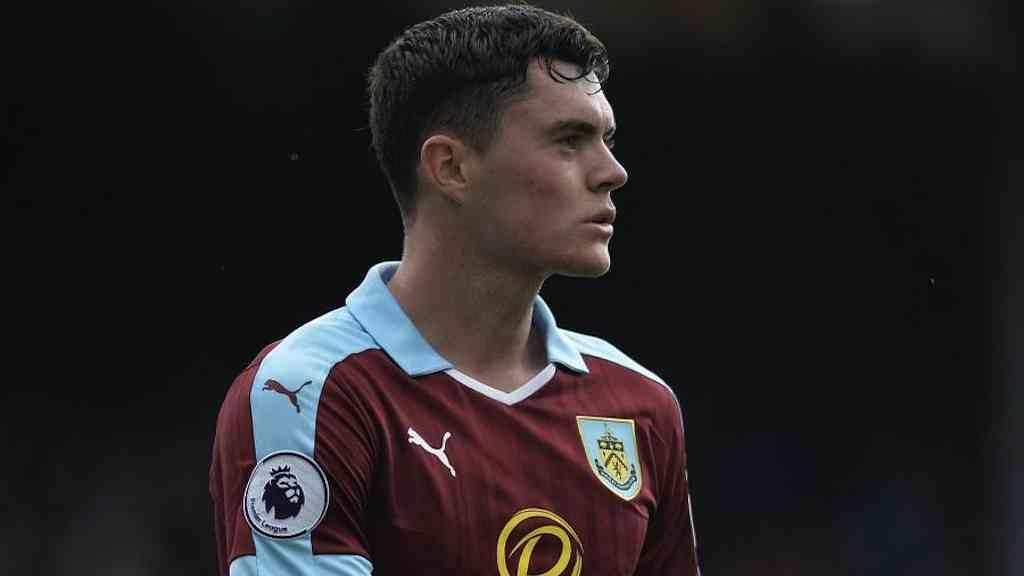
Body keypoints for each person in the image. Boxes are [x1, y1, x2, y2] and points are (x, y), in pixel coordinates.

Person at [209, 4, 700, 575]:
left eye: (607, 140)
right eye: (570, 140)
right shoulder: (310, 393)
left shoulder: (641, 403)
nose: (612, 171)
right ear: (450, 167)